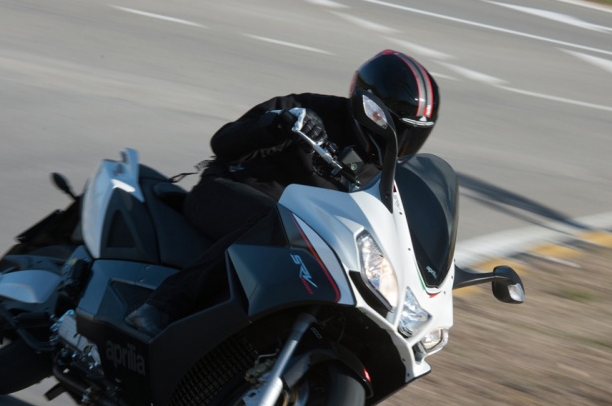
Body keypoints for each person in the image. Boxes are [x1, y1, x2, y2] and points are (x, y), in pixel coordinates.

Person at [124, 49, 441, 336]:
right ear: (371, 109)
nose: (403, 142)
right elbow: (223, 142)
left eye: (413, 135)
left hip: (299, 235)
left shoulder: (387, 174)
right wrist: (279, 124)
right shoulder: (309, 110)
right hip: (224, 192)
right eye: (400, 130)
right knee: (279, 224)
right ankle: (162, 306)